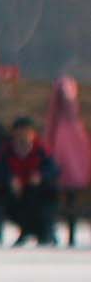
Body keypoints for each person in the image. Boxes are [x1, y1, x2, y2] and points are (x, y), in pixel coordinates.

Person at [2, 116, 60, 245]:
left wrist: (41, 176)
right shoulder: (7, 151)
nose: (23, 136)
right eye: (19, 133)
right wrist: (10, 179)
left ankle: (44, 232)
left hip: (39, 191)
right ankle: (26, 230)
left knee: (43, 202)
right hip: (17, 192)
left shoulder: (41, 150)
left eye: (26, 132)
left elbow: (54, 169)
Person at [46, 77, 90, 247]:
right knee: (67, 200)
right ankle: (64, 233)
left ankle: (64, 233)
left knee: (66, 200)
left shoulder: (63, 124)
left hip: (64, 171)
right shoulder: (71, 125)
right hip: (67, 171)